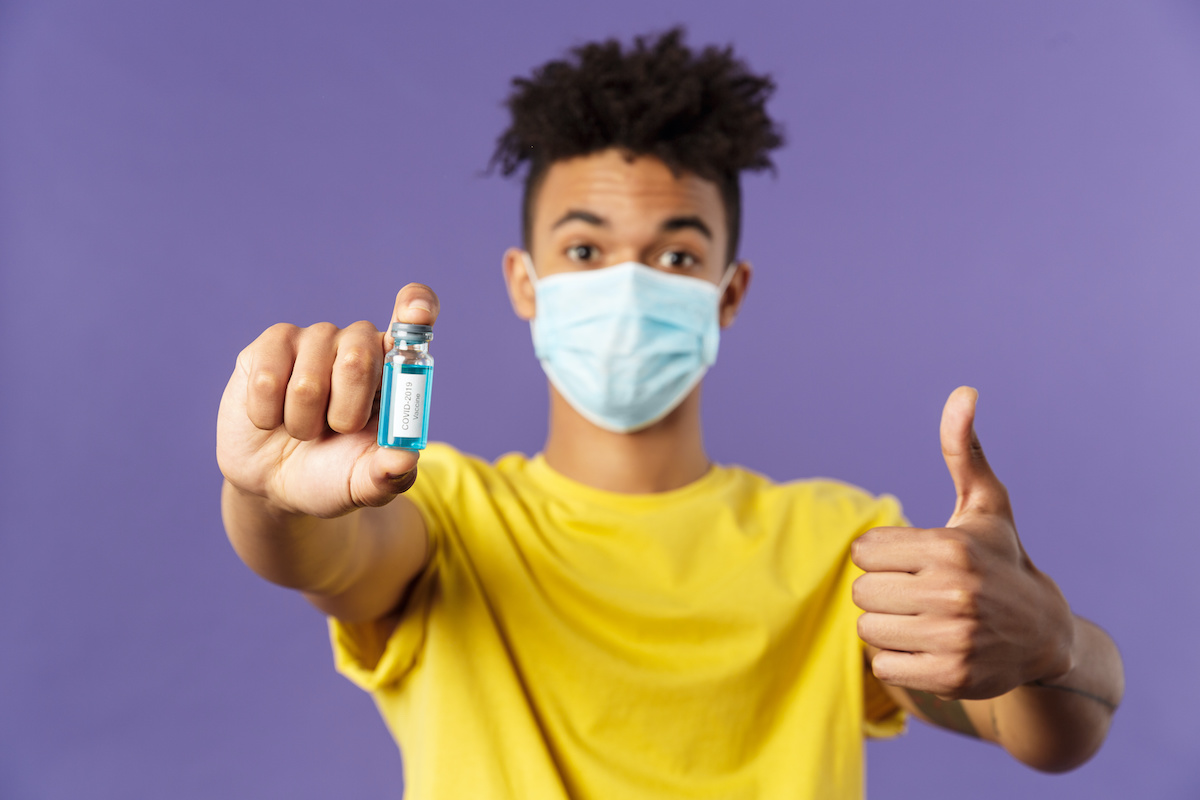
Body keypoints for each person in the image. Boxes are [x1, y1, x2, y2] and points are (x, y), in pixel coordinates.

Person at [216, 28, 1123, 799]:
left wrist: (1052, 642)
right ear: (523, 284)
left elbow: (1045, 732)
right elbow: (327, 557)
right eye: (584, 247)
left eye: (678, 258)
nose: (629, 284)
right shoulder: (448, 512)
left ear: (730, 295)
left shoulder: (838, 548)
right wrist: (267, 494)